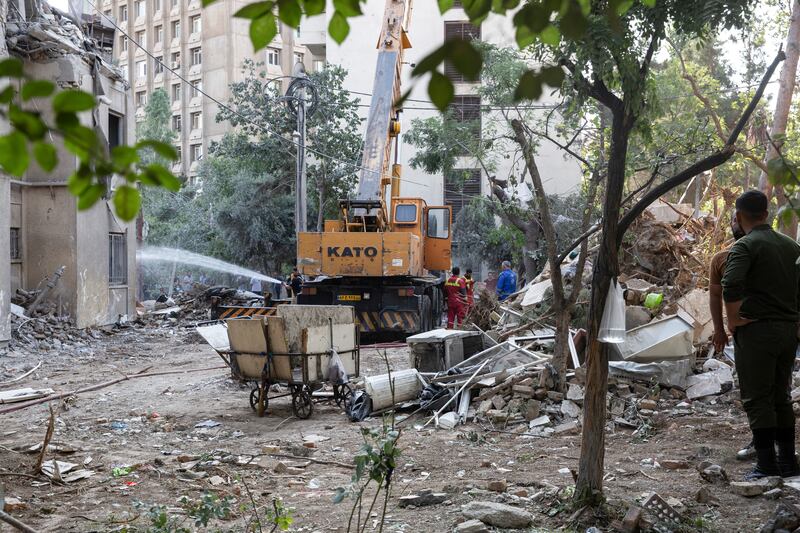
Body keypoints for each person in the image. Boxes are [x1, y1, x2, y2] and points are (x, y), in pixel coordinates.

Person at [722, 190, 800, 480]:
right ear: (766, 214)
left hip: (757, 332)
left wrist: (733, 320)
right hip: (788, 331)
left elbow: (730, 284)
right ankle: (788, 463)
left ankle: (766, 465)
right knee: (781, 396)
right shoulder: (792, 246)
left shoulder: (745, 245)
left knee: (757, 398)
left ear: (738, 216)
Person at [708, 213, 753, 461]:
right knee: (754, 389)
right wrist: (720, 329)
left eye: (738, 218)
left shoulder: (776, 251)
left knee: (773, 390)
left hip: (769, 328)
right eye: (734, 219)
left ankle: (775, 452)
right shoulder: (722, 258)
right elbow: (715, 295)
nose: (735, 222)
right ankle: (766, 445)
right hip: (744, 332)